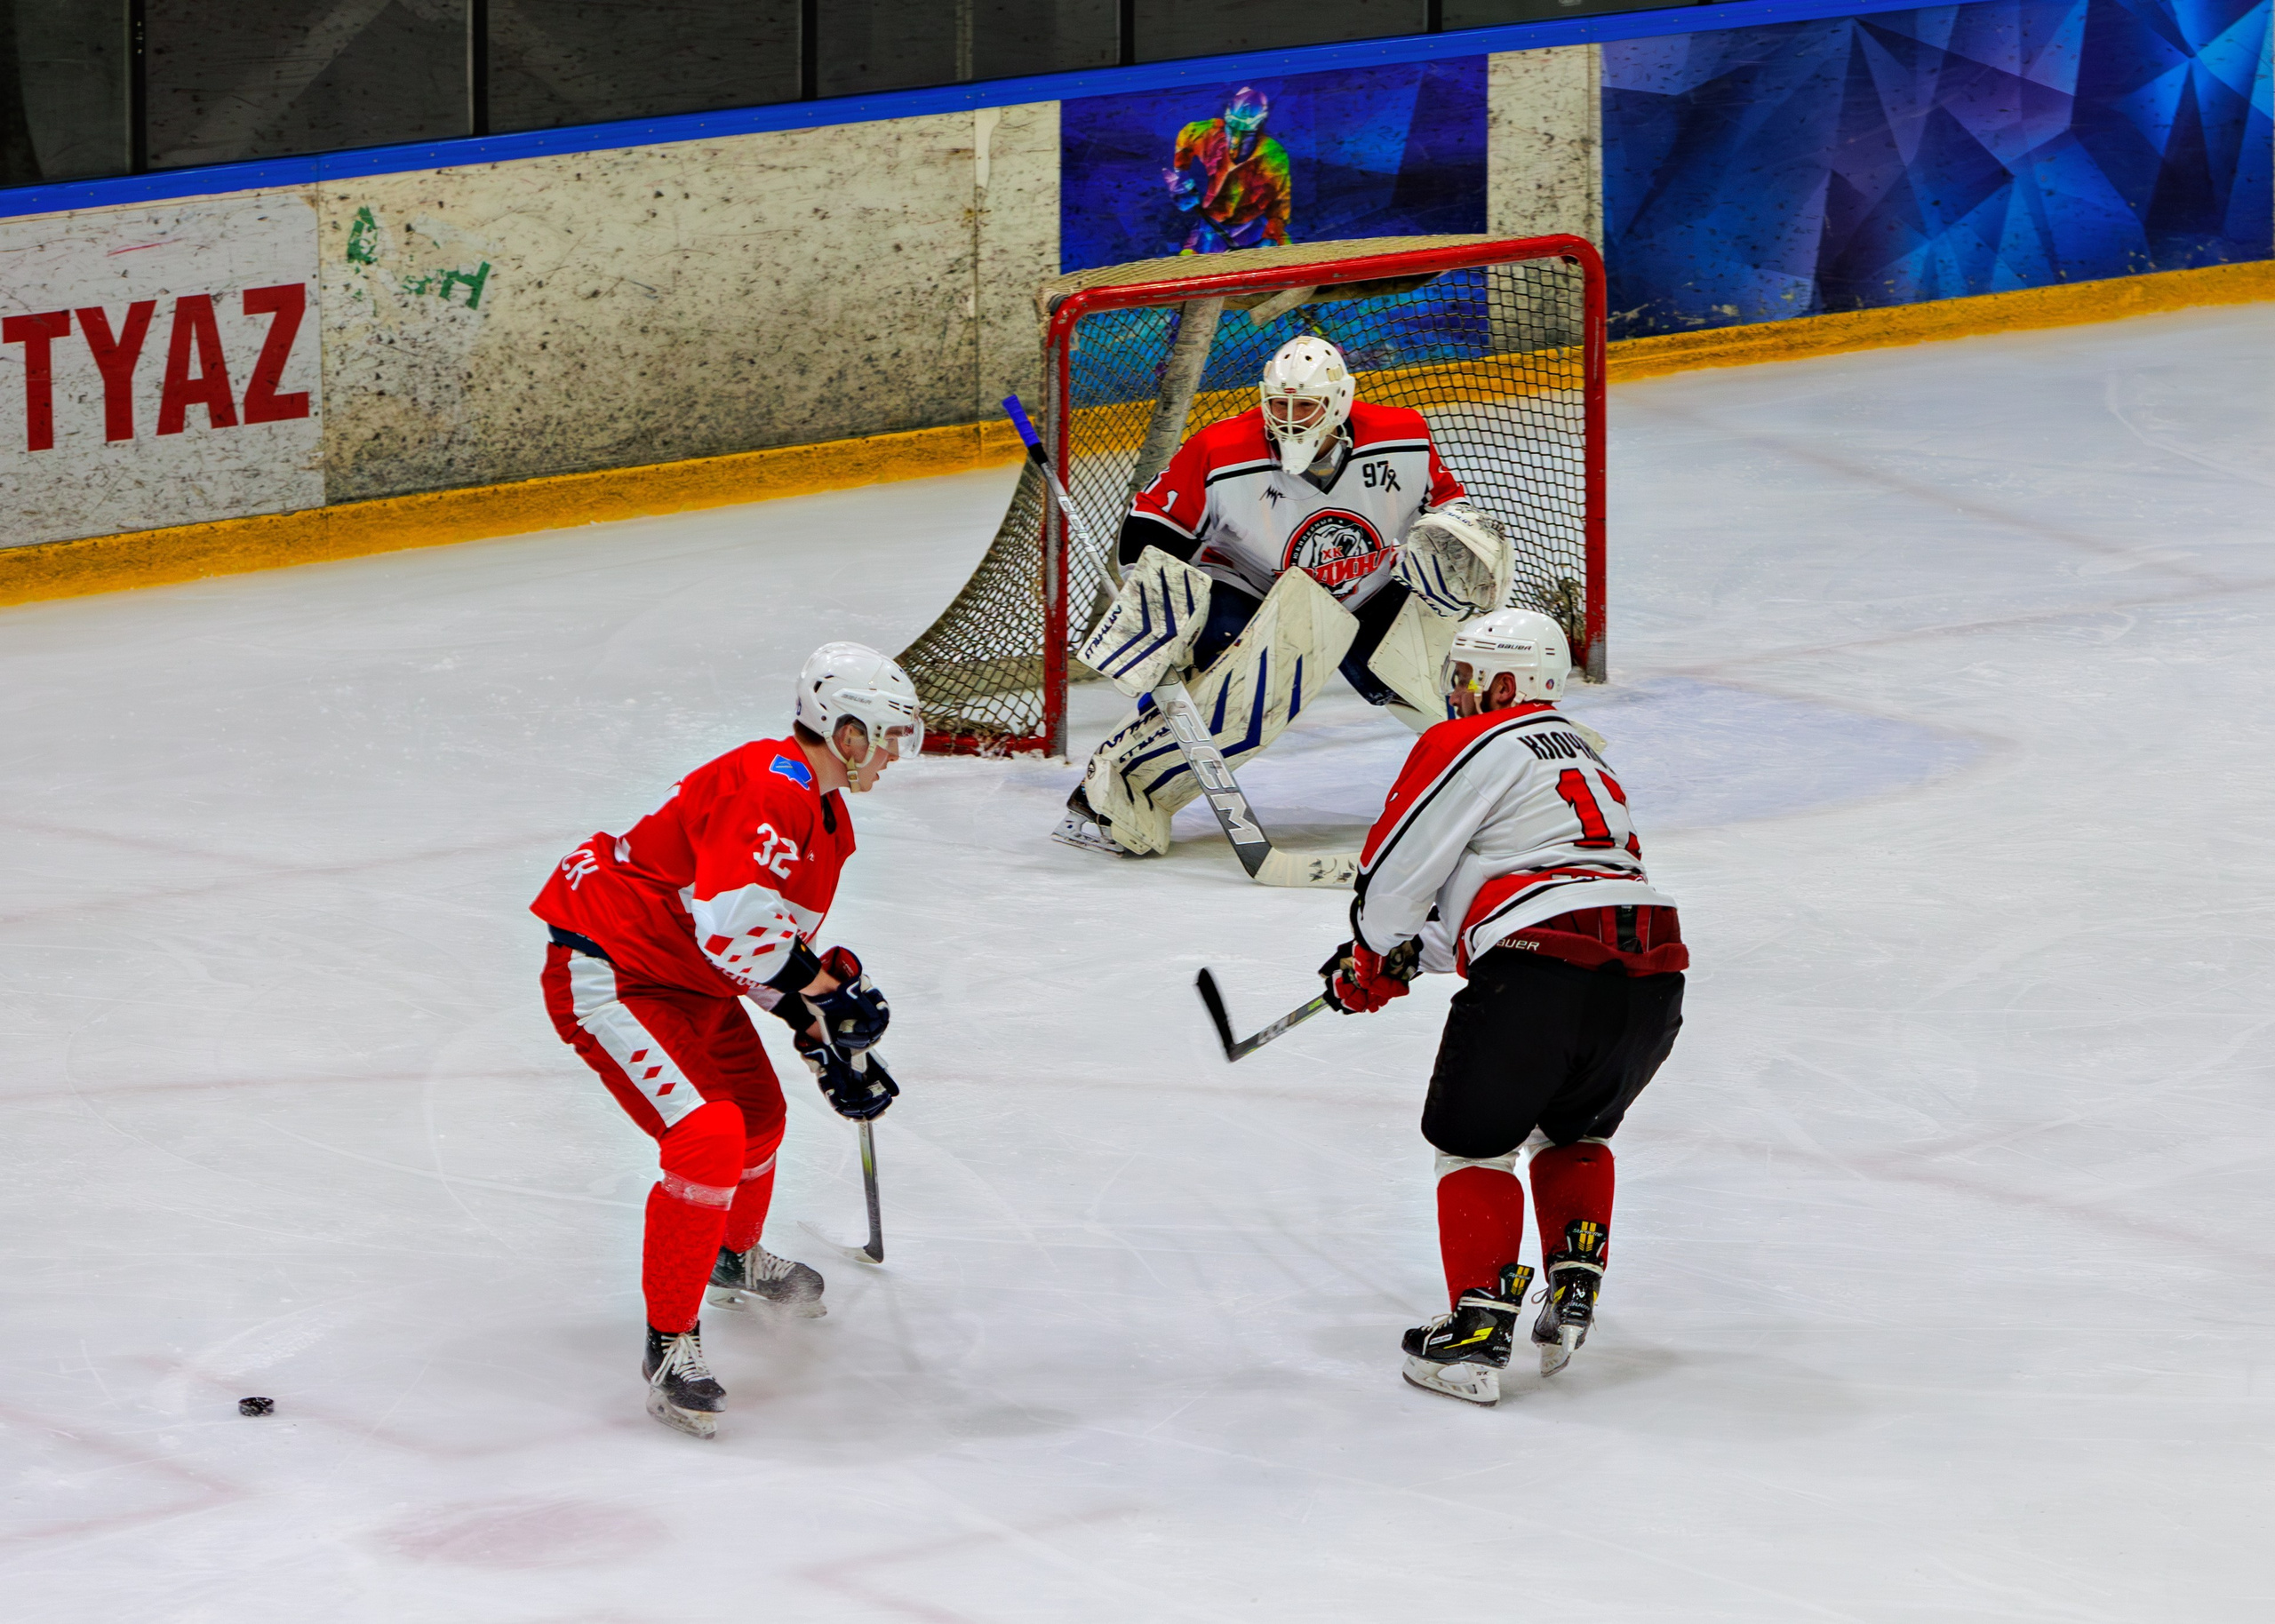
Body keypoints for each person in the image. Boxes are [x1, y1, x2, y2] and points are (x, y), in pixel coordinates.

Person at [531, 642, 922, 1437]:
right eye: (883, 736)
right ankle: (669, 1344)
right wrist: (824, 996)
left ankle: (732, 1258)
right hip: (614, 966)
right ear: (844, 733)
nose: (891, 754)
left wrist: (818, 1031)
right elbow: (735, 932)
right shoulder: (766, 786)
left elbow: (759, 946)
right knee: (707, 1136)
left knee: (759, 1119)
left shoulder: (825, 816)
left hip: (687, 978)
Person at [1318, 609, 1687, 1407]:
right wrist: (1417, 954)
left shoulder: (1469, 744)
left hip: (1542, 968)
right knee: (1573, 1127)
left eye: (1465, 676)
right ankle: (1574, 1279)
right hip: (1652, 971)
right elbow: (1531, 888)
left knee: (1476, 1144)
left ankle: (1479, 1332)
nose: (1454, 693)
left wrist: (1375, 953)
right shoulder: (1585, 752)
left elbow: (1395, 872)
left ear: (1508, 683)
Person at [1059, 334, 1515, 857]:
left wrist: (1455, 554)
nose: (1291, 418)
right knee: (1231, 693)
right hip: (1252, 590)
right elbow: (1146, 536)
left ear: (1339, 401)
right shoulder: (1218, 450)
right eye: (1280, 404)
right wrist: (1162, 614)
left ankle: (1506, 786)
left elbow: (1448, 514)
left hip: (1368, 590)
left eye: (1307, 405)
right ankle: (1112, 796)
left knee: (1439, 682)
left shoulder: (1403, 436)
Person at [1166, 86, 1292, 254]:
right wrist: (1181, 176)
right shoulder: (1208, 134)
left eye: (1245, 133)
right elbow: (1186, 136)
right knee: (1189, 269)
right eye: (1232, 128)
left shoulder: (1273, 155)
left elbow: (1280, 199)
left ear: (1258, 127)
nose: (1236, 139)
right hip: (1210, 225)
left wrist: (1276, 226)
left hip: (1252, 227)